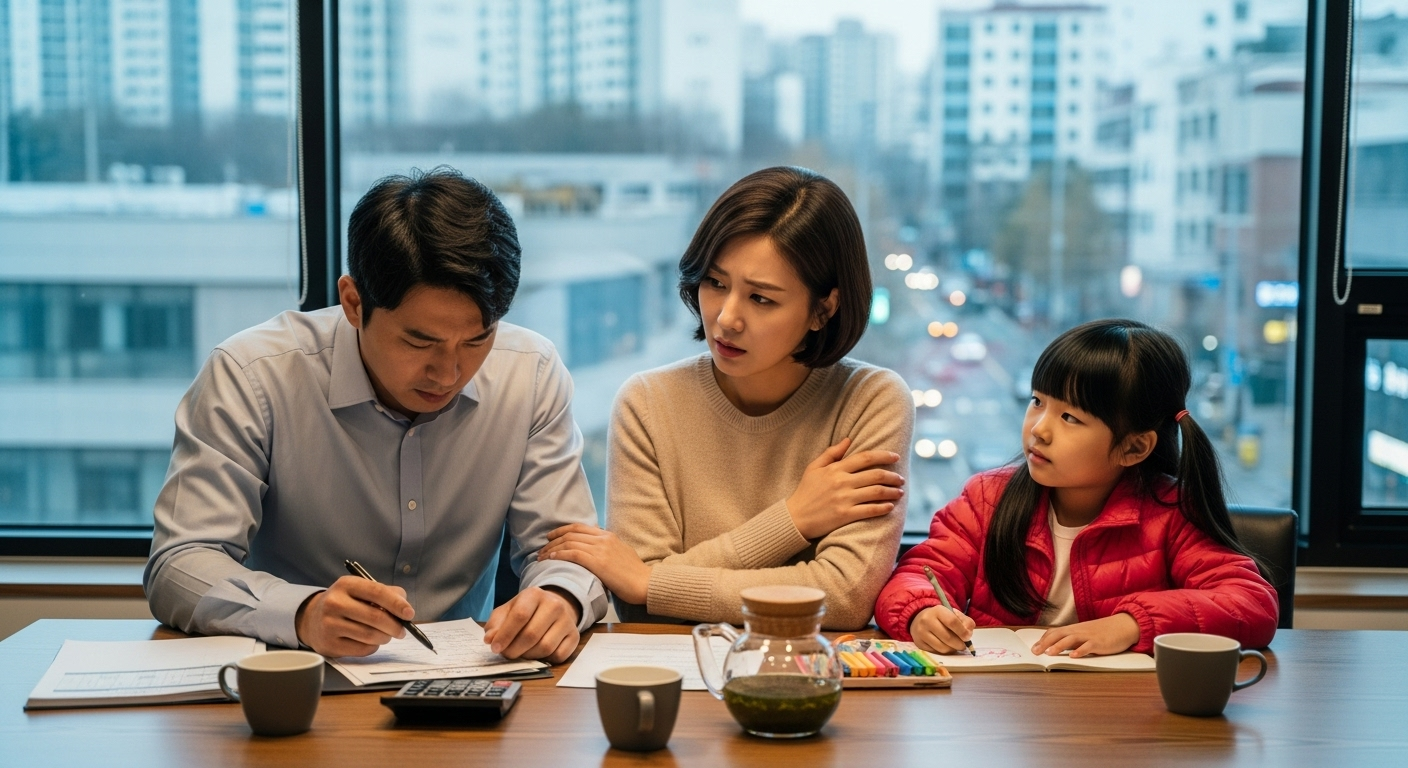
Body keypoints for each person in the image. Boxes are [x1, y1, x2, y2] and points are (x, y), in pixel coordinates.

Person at [144, 168, 605, 662]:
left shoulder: (530, 374)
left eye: (476, 340)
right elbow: (180, 563)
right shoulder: (253, 377)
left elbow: (567, 549)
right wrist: (303, 614)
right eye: (418, 341)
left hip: (466, 686)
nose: (449, 372)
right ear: (353, 301)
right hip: (299, 680)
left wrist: (559, 598)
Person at [537, 166, 913, 630]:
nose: (726, 318)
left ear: (823, 309)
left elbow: (844, 596)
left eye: (761, 299)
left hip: (809, 678)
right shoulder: (647, 403)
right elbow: (636, 603)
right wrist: (792, 518)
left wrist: (656, 583)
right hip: (674, 674)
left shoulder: (871, 401)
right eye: (715, 283)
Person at [875, 319, 1279, 657]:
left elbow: (1253, 605)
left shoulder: (1171, 513)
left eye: (1069, 417)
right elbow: (917, 575)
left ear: (1133, 447)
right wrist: (921, 613)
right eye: (1037, 402)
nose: (1039, 429)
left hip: (1115, 717)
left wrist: (1131, 624)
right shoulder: (986, 499)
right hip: (1001, 708)